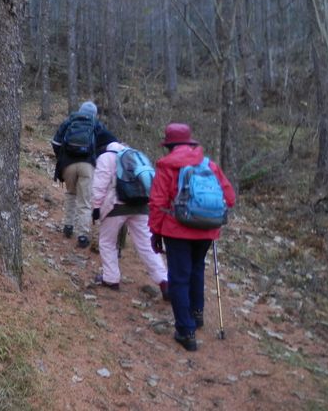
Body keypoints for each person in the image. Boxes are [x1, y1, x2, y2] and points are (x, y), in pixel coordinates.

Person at [148, 123, 236, 352]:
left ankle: (185, 331)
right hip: (208, 229)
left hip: (176, 230)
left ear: (170, 145)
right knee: (197, 269)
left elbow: (157, 203)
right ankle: (196, 315)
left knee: (178, 278)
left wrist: (155, 233)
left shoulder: (166, 167)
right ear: (190, 143)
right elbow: (230, 197)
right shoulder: (210, 165)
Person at [90, 132, 168, 295]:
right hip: (141, 204)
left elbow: (99, 185)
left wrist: (95, 207)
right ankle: (164, 281)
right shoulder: (135, 155)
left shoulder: (106, 157)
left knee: (107, 242)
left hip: (116, 205)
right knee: (147, 245)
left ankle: (110, 279)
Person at [51, 101, 113, 249]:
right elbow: (111, 142)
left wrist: (63, 158)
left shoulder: (69, 121)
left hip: (68, 165)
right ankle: (83, 235)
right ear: (94, 114)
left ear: (80, 110)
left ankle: (68, 226)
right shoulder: (96, 124)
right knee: (84, 200)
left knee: (71, 194)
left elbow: (55, 142)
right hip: (87, 166)